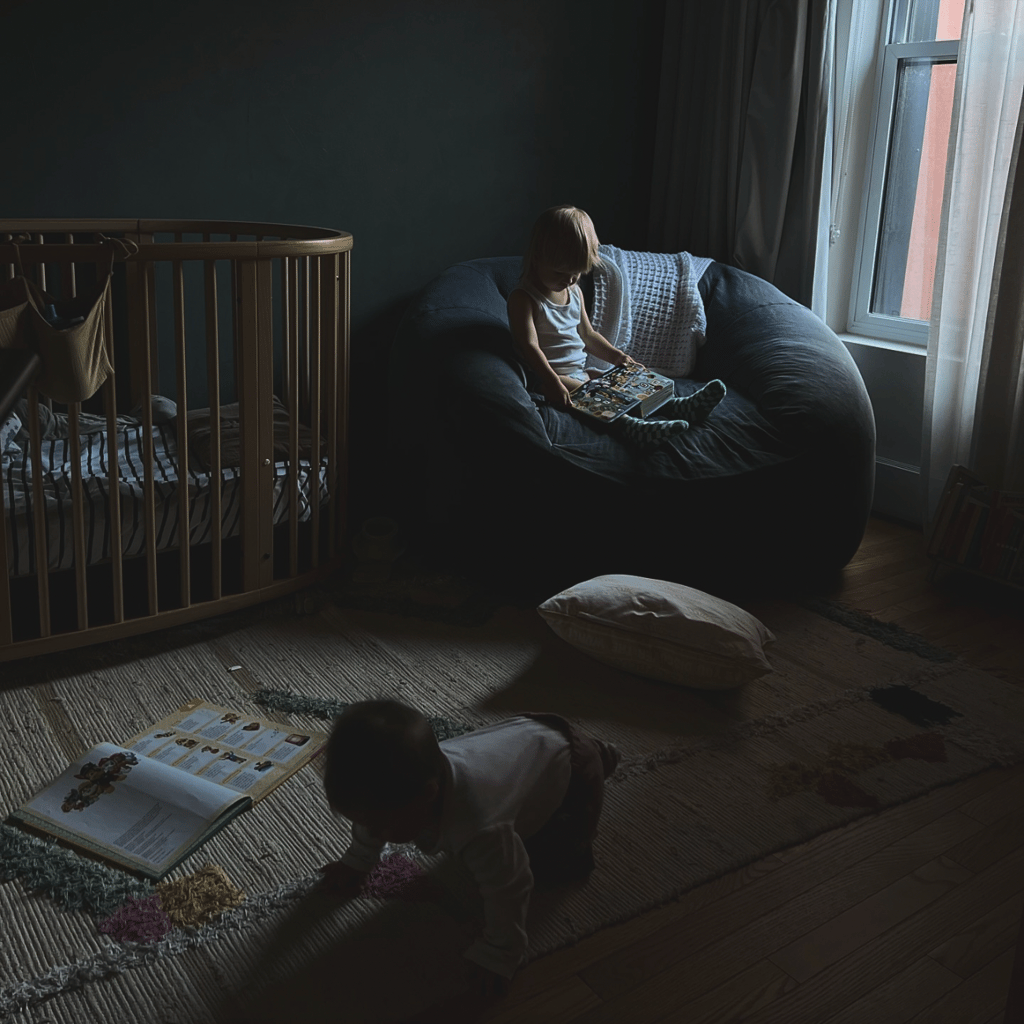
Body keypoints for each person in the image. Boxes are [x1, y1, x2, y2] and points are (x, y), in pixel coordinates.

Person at [318, 699, 620, 999]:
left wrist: (499, 953)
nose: (371, 832)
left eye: (380, 826)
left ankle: (600, 757)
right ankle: (598, 751)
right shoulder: (409, 782)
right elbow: (370, 821)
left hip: (574, 777)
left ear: (428, 795)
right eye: (363, 822)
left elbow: (511, 886)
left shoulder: (480, 827)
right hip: (530, 732)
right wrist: (357, 861)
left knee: (551, 863)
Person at [506, 204, 725, 448]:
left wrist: (618, 357)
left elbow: (588, 335)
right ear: (537, 257)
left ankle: (677, 406)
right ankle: (631, 428)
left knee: (626, 381)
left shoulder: (574, 292)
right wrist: (553, 382)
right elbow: (529, 346)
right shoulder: (524, 298)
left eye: (576, 273)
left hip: (582, 372)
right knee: (598, 396)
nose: (568, 280)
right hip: (549, 378)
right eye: (560, 272)